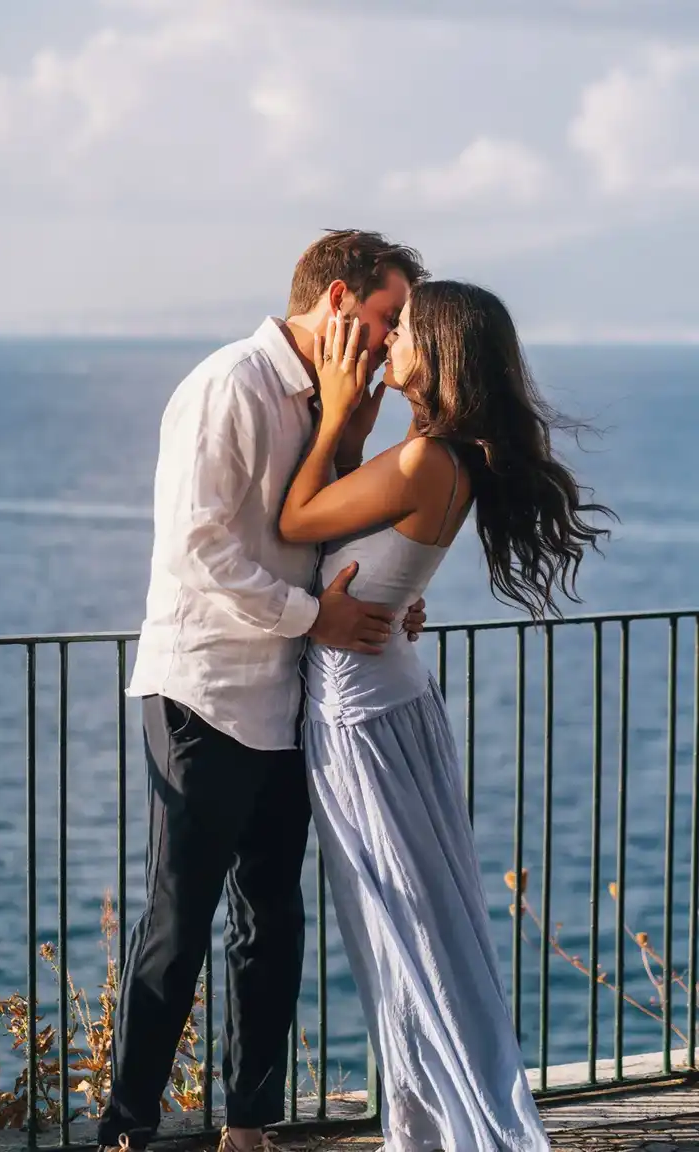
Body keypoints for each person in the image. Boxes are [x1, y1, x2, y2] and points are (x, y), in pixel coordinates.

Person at [97, 231, 430, 1152]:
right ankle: (126, 1132)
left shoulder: (330, 403)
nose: (392, 339)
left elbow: (322, 537)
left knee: (271, 924)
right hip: (204, 693)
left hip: (285, 700)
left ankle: (247, 1130)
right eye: (388, 316)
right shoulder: (230, 386)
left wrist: (384, 598)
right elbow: (197, 550)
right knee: (179, 924)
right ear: (336, 300)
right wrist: (314, 617)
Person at [278, 282, 613, 1152]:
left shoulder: (425, 458)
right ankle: (431, 1122)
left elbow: (296, 519)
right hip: (390, 701)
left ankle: (448, 1126)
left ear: (438, 353)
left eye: (403, 331)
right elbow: (373, 549)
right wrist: (359, 441)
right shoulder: (444, 457)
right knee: (422, 925)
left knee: (401, 930)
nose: (387, 341)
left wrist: (336, 416)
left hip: (360, 717)